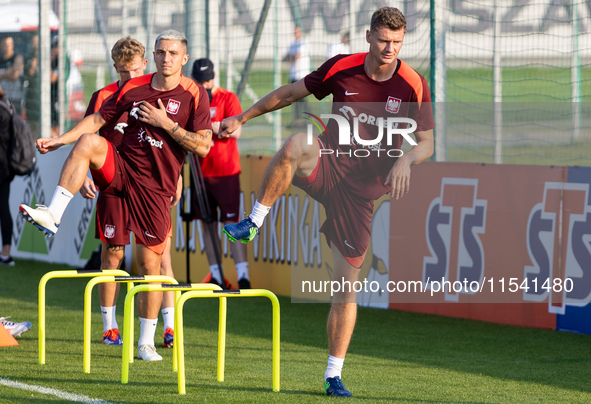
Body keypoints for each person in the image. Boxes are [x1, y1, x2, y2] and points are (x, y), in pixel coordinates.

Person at [221, 7, 434, 397]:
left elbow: (427, 143)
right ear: (369, 36)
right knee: (296, 143)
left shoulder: (413, 83)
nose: (390, 48)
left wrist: (407, 157)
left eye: (398, 42)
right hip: (330, 163)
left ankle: (333, 374)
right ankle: (253, 222)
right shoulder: (342, 66)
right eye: (384, 40)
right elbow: (289, 93)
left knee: (345, 289)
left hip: (361, 193)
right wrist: (243, 117)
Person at [19, 30, 213, 361]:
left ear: (184, 58)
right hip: (122, 169)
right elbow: (97, 119)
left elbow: (204, 145)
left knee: (150, 266)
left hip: (156, 188)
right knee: (88, 143)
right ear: (153, 55)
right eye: (161, 52)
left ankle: (146, 342)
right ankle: (52, 215)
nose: (165, 58)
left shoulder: (194, 94)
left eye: (172, 53)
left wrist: (167, 124)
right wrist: (60, 140)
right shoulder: (134, 87)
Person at [190, 58, 250, 289]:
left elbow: (235, 132)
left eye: (208, 80)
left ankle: (242, 275)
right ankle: (216, 275)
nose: (205, 85)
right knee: (206, 224)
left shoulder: (228, 97)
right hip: (200, 172)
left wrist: (207, 126)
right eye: (200, 81)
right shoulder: (193, 99)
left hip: (226, 172)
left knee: (232, 223)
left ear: (214, 77)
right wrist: (216, 127)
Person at [0, 84, 15, 266]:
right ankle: (6, 253)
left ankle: (6, 253)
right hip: (7, 166)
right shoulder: (7, 105)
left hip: (2, 166)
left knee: (3, 208)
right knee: (3, 207)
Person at [283, 26, 310, 127]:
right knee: (295, 99)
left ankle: (308, 119)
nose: (295, 33)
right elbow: (286, 57)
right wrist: (291, 57)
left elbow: (297, 55)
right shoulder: (293, 43)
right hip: (294, 74)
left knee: (302, 99)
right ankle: (298, 121)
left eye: (297, 31)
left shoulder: (303, 42)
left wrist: (292, 56)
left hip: (302, 75)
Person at [0, 36, 24, 115]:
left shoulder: (18, 58)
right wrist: (9, 71)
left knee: (14, 126)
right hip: (2, 100)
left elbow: (15, 76)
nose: (7, 47)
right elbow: (12, 73)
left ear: (13, 45)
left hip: (15, 100)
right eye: (5, 44)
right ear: (1, 45)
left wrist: (1, 76)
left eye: (9, 44)